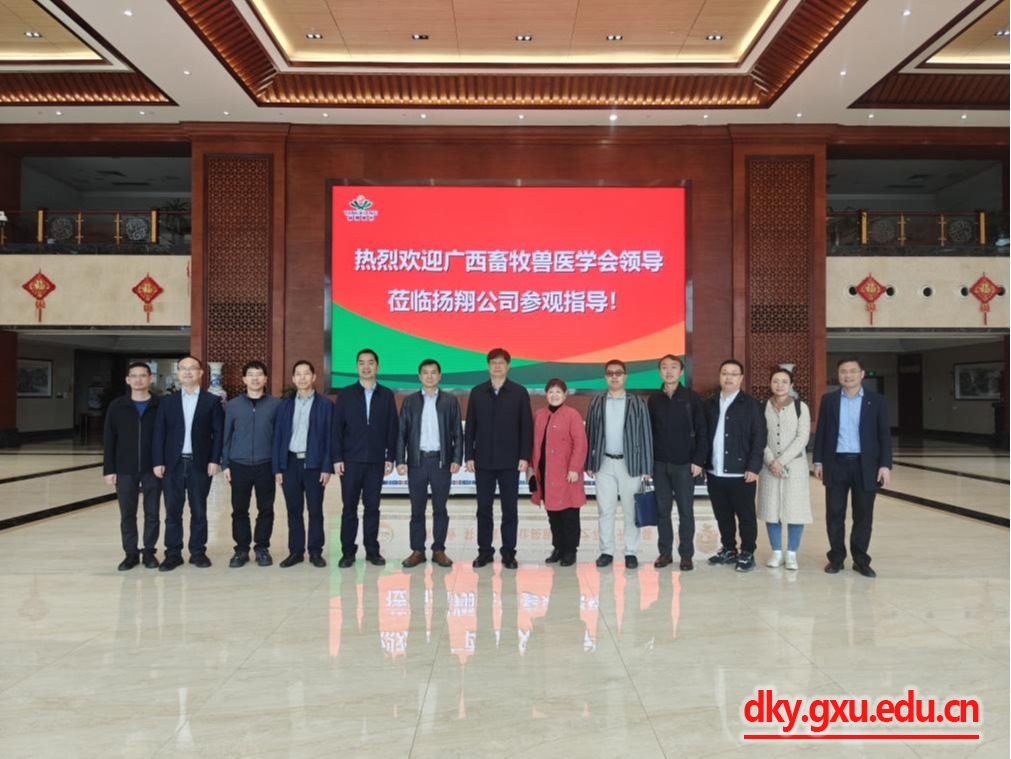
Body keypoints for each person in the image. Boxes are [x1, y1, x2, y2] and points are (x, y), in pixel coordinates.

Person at [813, 357, 892, 578]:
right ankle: (836, 558)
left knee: (863, 515)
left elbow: (884, 435)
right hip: (836, 463)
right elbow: (822, 431)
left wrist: (885, 465)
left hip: (865, 465)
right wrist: (818, 461)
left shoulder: (876, 401)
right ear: (838, 375)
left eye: (852, 371)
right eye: (843, 371)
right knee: (834, 513)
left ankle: (861, 560)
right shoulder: (829, 400)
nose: (848, 375)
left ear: (862, 374)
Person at [152, 355, 224, 571]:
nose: (187, 372)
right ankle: (173, 554)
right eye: (183, 368)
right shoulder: (167, 402)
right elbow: (159, 433)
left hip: (199, 464)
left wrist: (215, 459)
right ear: (178, 373)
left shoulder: (212, 401)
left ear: (201, 373)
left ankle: (198, 552)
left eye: (192, 368)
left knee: (199, 511)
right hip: (172, 465)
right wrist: (158, 461)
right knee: (172, 512)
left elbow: (218, 433)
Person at [465, 348, 533, 570]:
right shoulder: (477, 392)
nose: (497, 366)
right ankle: (484, 552)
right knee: (483, 509)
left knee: (509, 509)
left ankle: (508, 553)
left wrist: (524, 456)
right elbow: (470, 427)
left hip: (510, 461)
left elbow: (526, 427)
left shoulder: (519, 392)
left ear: (508, 366)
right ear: (488, 366)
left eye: (501, 363)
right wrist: (469, 455)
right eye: (493, 363)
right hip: (483, 461)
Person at [333, 348, 399, 568]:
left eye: (370, 363)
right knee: (349, 508)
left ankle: (372, 550)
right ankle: (347, 552)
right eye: (361, 363)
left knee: (372, 507)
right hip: (350, 461)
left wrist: (390, 456)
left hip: (376, 461)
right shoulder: (346, 394)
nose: (366, 367)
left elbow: (392, 427)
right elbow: (336, 428)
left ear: (377, 366)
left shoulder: (386, 395)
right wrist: (337, 457)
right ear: (356, 367)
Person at [584, 359, 653, 570]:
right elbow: (589, 434)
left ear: (625, 376)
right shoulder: (596, 402)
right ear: (605, 377)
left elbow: (646, 434)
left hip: (630, 464)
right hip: (604, 463)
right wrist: (589, 462)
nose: (614, 376)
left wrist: (647, 468)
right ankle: (606, 551)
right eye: (610, 373)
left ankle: (631, 552)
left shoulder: (638, 402)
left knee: (631, 511)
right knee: (605, 510)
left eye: (618, 373)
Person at [396, 359, 463, 569]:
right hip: (417, 462)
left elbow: (457, 433)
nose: (429, 376)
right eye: (425, 372)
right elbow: (401, 433)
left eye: (433, 372)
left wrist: (456, 459)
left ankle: (439, 550)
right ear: (419, 376)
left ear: (440, 376)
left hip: (441, 462)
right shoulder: (410, 401)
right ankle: (417, 550)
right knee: (417, 509)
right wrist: (400, 460)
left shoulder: (450, 401)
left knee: (440, 508)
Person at [703, 359, 766, 573]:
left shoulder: (751, 405)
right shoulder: (710, 404)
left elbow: (759, 438)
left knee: (745, 516)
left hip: (742, 473)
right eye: (725, 373)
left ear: (741, 378)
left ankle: (747, 552)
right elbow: (703, 436)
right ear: (719, 376)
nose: (728, 377)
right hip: (715, 471)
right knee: (722, 515)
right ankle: (729, 549)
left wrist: (754, 467)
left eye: (733, 373)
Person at [647, 354, 708, 571]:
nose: (669, 371)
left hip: (684, 464)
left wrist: (698, 460)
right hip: (659, 464)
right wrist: (648, 464)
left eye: (673, 367)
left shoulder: (692, 398)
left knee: (686, 511)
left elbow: (702, 431)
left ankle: (686, 554)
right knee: (662, 511)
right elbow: (649, 433)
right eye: (664, 367)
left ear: (681, 371)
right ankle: (665, 553)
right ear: (659, 372)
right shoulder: (654, 400)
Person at [221, 360, 281, 568]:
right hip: (239, 464)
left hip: (266, 464)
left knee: (266, 509)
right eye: (250, 374)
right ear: (244, 379)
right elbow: (226, 435)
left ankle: (262, 548)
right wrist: (225, 464)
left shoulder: (276, 405)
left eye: (259, 374)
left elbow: (279, 438)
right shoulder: (233, 405)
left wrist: (278, 466)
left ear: (265, 378)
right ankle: (241, 550)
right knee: (239, 509)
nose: (255, 378)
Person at [103, 362, 162, 571]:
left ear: (150, 379)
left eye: (143, 375)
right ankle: (130, 553)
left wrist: (162, 463)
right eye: (134, 376)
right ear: (127, 380)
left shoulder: (160, 405)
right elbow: (109, 438)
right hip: (124, 468)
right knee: (127, 513)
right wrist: (109, 469)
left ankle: (149, 552)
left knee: (152, 513)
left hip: (153, 468)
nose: (138, 380)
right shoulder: (117, 406)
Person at [273, 360, 332, 568]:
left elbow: (329, 439)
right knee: (293, 511)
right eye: (298, 374)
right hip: (289, 464)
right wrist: (277, 468)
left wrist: (327, 467)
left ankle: (315, 552)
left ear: (314, 377)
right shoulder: (285, 405)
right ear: (293, 378)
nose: (302, 377)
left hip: (314, 465)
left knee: (315, 510)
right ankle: (296, 552)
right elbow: (278, 437)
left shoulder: (325, 405)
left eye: (307, 373)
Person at [757, 368, 812, 571]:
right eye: (775, 381)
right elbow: (759, 435)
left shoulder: (800, 407)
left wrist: (782, 461)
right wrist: (771, 460)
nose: (779, 385)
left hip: (794, 467)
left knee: (795, 511)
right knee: (771, 510)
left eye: (784, 381)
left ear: (791, 385)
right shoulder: (762, 407)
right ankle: (776, 552)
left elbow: (802, 437)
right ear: (770, 384)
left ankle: (791, 554)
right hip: (769, 466)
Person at [530, 378, 588, 567]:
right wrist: (531, 470)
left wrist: (574, 468)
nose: (554, 395)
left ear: (565, 394)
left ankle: (570, 550)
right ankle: (558, 548)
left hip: (566, 473)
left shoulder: (572, 415)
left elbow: (580, 443)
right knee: (553, 514)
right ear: (546, 394)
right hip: (546, 473)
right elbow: (534, 443)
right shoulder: (539, 415)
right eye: (551, 392)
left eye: (558, 392)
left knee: (569, 514)